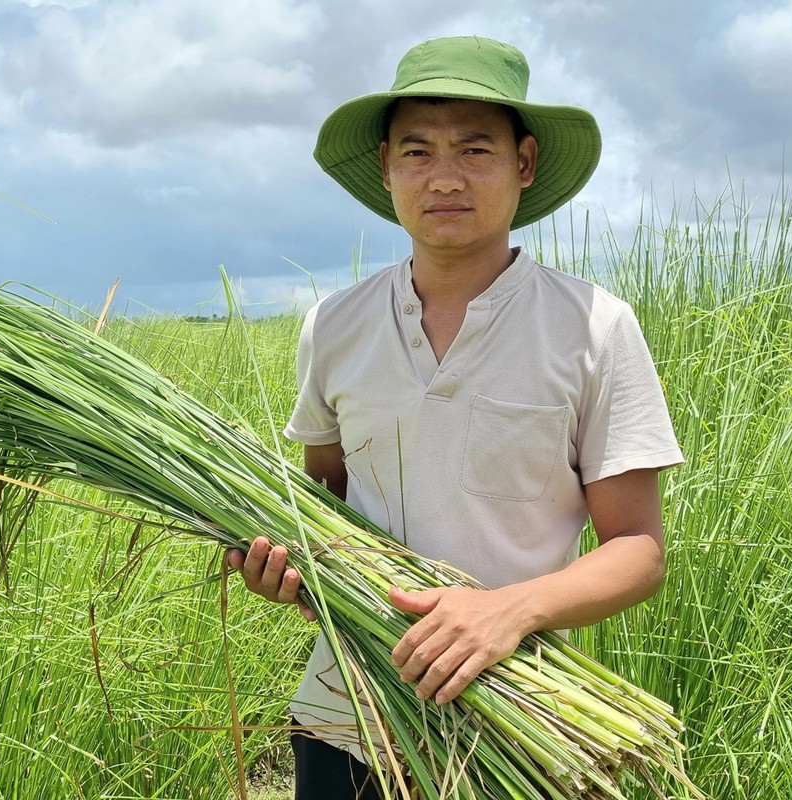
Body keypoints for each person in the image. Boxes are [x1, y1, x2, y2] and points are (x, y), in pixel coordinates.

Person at [226, 35, 683, 800]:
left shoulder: (595, 326)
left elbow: (638, 550)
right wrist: (284, 572)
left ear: (524, 164)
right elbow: (323, 514)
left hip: (521, 724)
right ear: (386, 168)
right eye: (417, 152)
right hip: (346, 717)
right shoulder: (333, 327)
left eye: (475, 150)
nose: (444, 177)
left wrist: (509, 611)